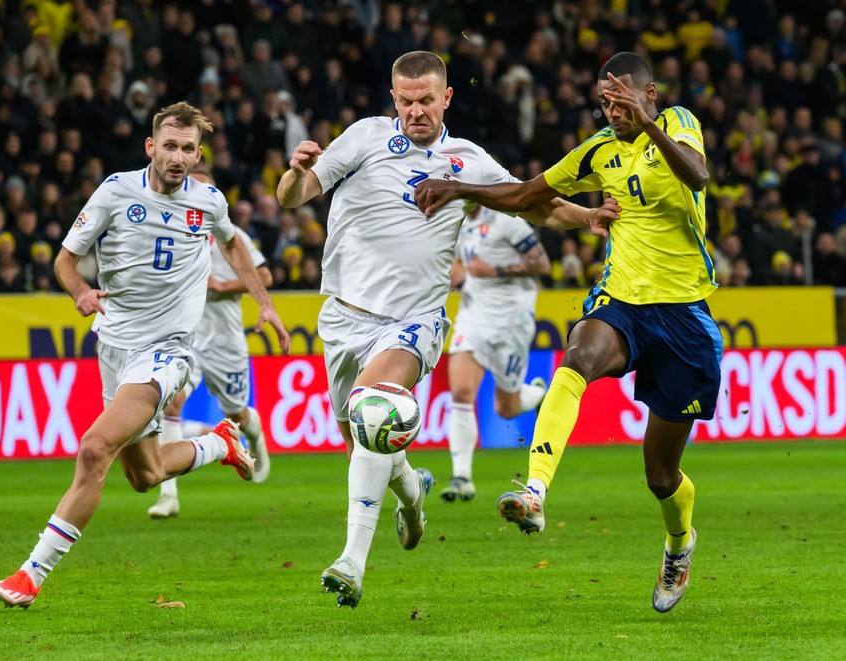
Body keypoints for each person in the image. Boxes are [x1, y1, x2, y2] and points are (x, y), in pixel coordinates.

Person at [276, 51, 618, 609]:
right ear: (394, 99)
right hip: (342, 318)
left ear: (446, 98)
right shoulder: (362, 139)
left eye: (426, 101)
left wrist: (584, 218)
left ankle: (351, 563)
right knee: (364, 439)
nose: (416, 111)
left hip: (414, 321)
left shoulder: (467, 160)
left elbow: (530, 203)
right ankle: (411, 492)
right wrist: (293, 172)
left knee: (372, 408)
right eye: (406, 101)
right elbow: (295, 196)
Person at [414, 51, 720, 613]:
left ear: (650, 95)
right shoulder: (597, 150)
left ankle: (679, 543)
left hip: (684, 315)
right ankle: (534, 491)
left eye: (624, 98)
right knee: (577, 356)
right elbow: (528, 195)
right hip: (623, 301)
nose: (614, 109)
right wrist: (462, 191)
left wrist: (648, 122)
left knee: (660, 475)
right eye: (606, 101)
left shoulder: (677, 123)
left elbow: (699, 176)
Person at [0, 102, 290, 608]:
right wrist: (81, 293)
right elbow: (64, 261)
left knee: (93, 449)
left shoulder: (208, 202)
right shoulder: (115, 192)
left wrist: (266, 304)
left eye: (188, 149)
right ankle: (219, 445)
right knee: (144, 476)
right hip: (113, 346)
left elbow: (234, 245)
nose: (178, 157)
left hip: (167, 350)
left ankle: (30, 575)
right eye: (169, 146)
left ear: (197, 154)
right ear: (151, 147)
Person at [148, 168, 274, 520]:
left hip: (224, 340)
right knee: (169, 406)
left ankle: (256, 432)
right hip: (182, 337)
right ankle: (168, 493)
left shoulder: (229, 235)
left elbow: (264, 275)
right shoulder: (170, 231)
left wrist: (222, 287)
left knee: (236, 412)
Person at [440, 205, 551, 503]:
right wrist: (457, 275)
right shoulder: (461, 224)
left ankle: (537, 396)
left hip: (512, 323)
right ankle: (461, 477)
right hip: (473, 317)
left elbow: (542, 265)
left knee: (506, 408)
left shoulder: (508, 223)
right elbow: (463, 265)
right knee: (461, 391)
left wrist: (495, 271)